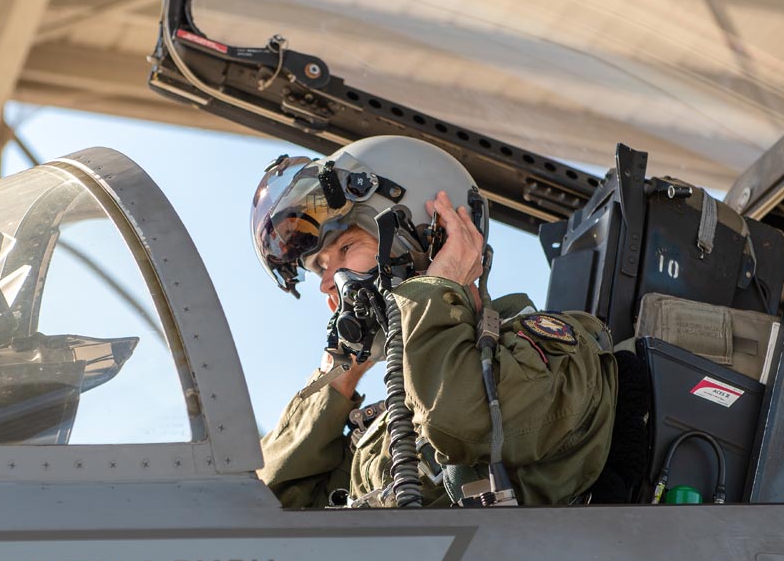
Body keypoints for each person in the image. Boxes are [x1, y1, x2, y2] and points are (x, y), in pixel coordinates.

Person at [250, 136, 618, 508]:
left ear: (433, 238)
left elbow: (462, 421)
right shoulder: (387, 429)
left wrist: (431, 290)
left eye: (345, 249)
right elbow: (263, 510)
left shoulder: (554, 352)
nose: (329, 285)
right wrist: (337, 379)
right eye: (321, 272)